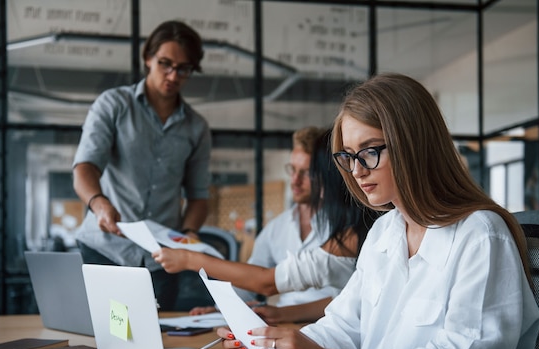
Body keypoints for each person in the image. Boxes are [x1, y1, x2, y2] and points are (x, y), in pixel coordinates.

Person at [216, 73, 539, 349]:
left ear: (412, 145)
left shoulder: (480, 236)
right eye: (348, 156)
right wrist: (270, 347)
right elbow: (343, 327)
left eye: (369, 152)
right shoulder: (384, 232)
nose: (357, 171)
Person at [153, 129, 378, 324]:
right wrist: (226, 310)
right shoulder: (277, 228)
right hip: (298, 324)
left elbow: (266, 282)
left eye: (310, 174)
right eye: (292, 170)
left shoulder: (355, 234)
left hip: (327, 327)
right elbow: (253, 279)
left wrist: (190, 259)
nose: (296, 180)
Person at [72, 21, 211, 310]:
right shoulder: (113, 104)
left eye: (183, 69)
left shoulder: (197, 127)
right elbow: (85, 167)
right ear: (148, 58)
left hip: (161, 260)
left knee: (157, 342)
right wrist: (98, 204)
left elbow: (198, 196)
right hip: (104, 249)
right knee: (98, 338)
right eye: (165, 64)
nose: (173, 75)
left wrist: (189, 234)